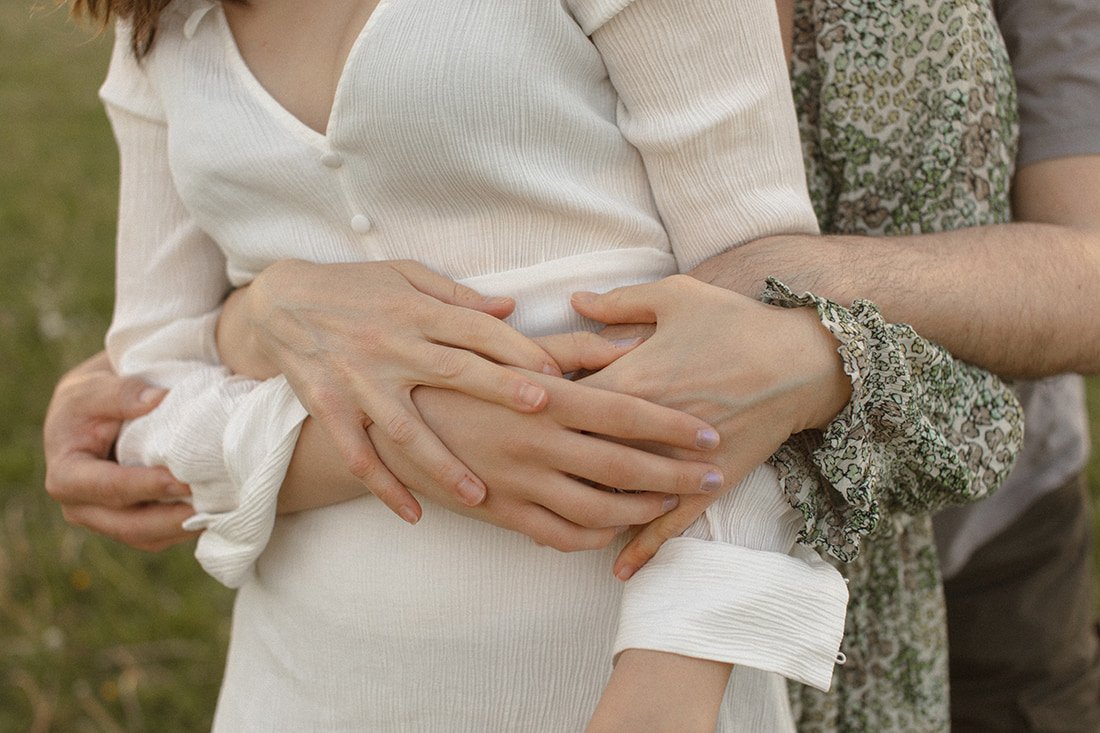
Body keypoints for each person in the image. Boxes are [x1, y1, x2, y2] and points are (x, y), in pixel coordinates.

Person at [43, 0, 1028, 729]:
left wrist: (673, 673)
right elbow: (148, 386)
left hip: (612, 667)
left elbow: (753, 323)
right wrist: (395, 416)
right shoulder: (160, 31)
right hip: (305, 674)